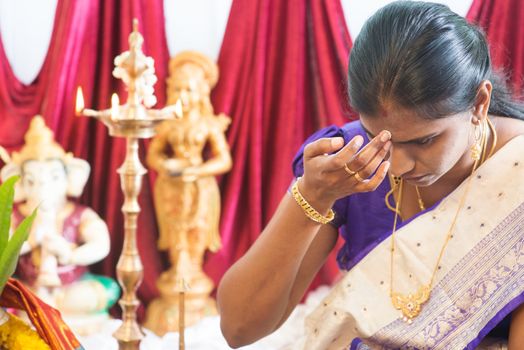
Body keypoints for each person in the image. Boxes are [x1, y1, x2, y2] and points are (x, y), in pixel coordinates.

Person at [216, 2, 524, 349]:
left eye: (424, 140)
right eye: (380, 137)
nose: (397, 167)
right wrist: (311, 198)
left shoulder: (518, 173)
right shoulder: (348, 161)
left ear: (480, 103)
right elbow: (239, 327)